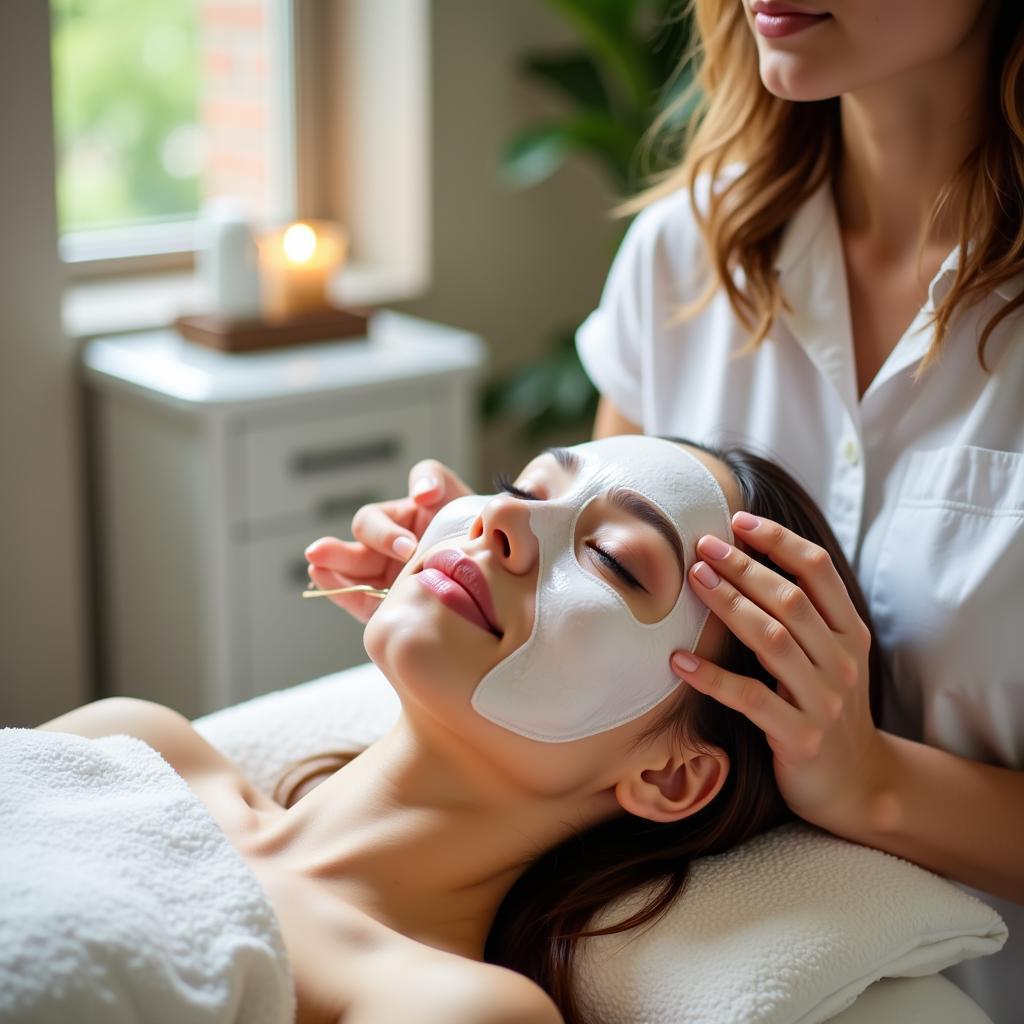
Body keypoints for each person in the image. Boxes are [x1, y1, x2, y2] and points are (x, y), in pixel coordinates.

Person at [305, 2, 1024, 1019]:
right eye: (528, 489)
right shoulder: (681, 254)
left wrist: (870, 782)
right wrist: (471, 576)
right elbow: (596, 560)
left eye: (609, 559)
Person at [44, 436, 877, 1024]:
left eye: (616, 562)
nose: (499, 523)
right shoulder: (132, 745)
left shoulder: (447, 1008)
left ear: (670, 775)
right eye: (524, 487)